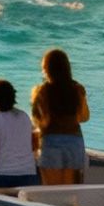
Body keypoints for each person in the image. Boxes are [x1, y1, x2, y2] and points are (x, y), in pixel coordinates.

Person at [31, 48, 89, 185]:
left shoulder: (42, 91)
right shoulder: (77, 89)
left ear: (46, 68)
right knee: (69, 191)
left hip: (51, 141)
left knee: (51, 190)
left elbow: (42, 122)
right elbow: (84, 117)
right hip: (74, 141)